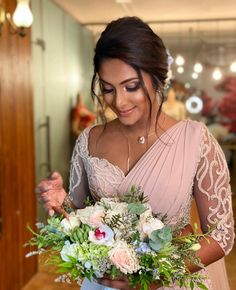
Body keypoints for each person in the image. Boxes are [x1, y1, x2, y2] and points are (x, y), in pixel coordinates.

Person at [36, 17, 235, 290]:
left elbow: (222, 235)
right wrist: (61, 204)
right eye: (108, 89)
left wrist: (156, 276)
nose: (119, 101)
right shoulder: (89, 140)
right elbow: (81, 221)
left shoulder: (196, 141)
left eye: (131, 87)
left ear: (157, 79)